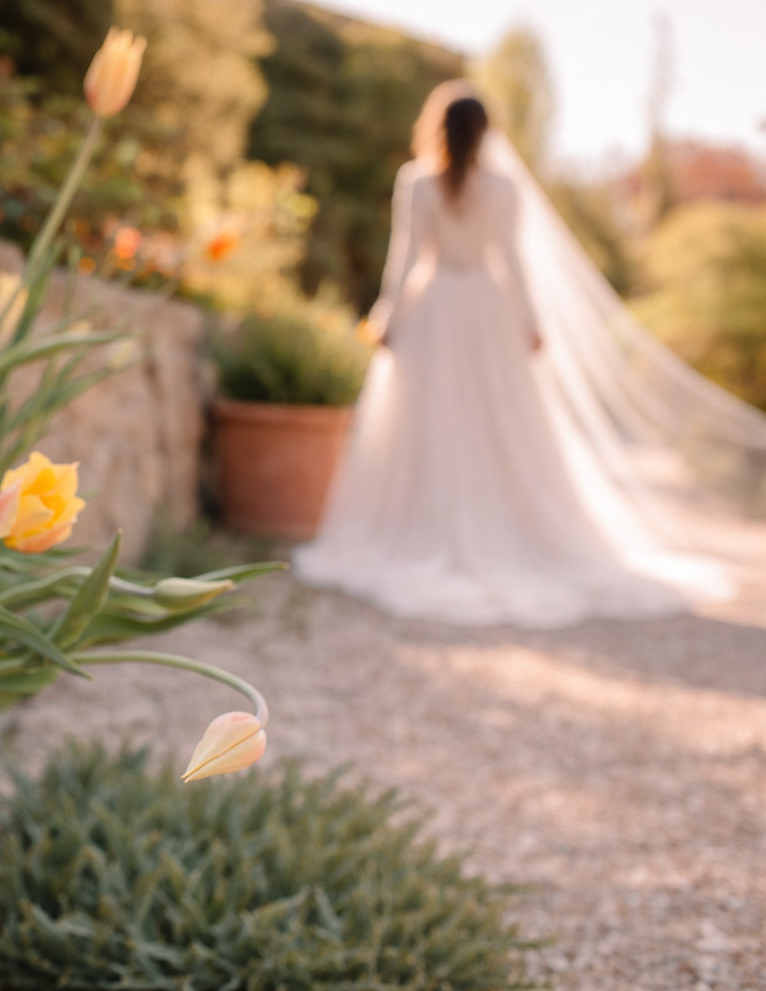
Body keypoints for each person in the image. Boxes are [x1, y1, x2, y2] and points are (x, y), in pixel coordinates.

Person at [294, 81, 766, 628]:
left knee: (432, 423)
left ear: (438, 128)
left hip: (437, 308)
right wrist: (528, 323)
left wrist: (388, 317)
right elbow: (511, 261)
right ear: (484, 132)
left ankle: (432, 528)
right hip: (488, 311)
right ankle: (501, 531)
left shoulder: (417, 182)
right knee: (495, 424)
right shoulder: (502, 187)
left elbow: (406, 259)